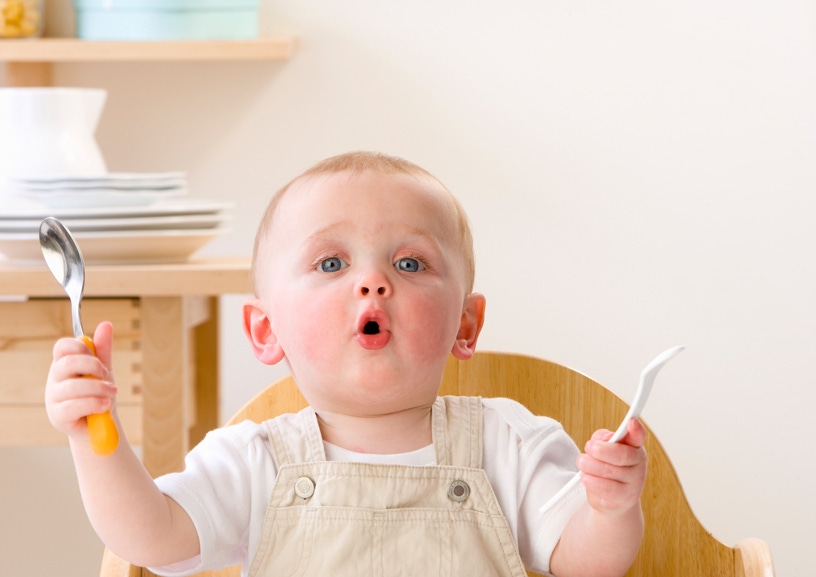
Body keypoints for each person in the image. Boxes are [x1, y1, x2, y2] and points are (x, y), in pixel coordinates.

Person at [45, 151, 647, 577]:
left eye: (409, 264)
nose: (372, 282)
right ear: (267, 330)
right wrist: (93, 436)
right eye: (331, 264)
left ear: (466, 325)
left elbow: (588, 562)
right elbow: (152, 540)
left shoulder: (509, 445)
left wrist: (611, 509)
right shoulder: (254, 461)